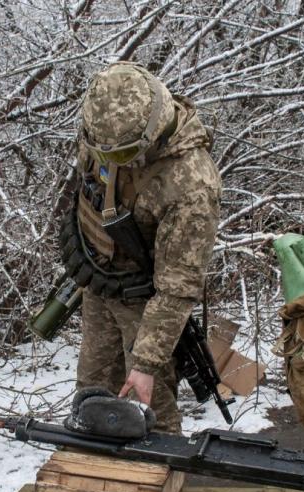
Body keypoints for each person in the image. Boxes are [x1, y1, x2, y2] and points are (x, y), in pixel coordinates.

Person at [61, 62, 221, 434]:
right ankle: (95, 476)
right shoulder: (104, 130)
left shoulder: (190, 185)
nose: (106, 160)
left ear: (151, 133)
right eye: (98, 149)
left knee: (149, 409)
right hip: (100, 283)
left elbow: (177, 287)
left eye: (119, 156)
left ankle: (155, 479)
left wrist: (146, 363)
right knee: (92, 396)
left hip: (148, 304)